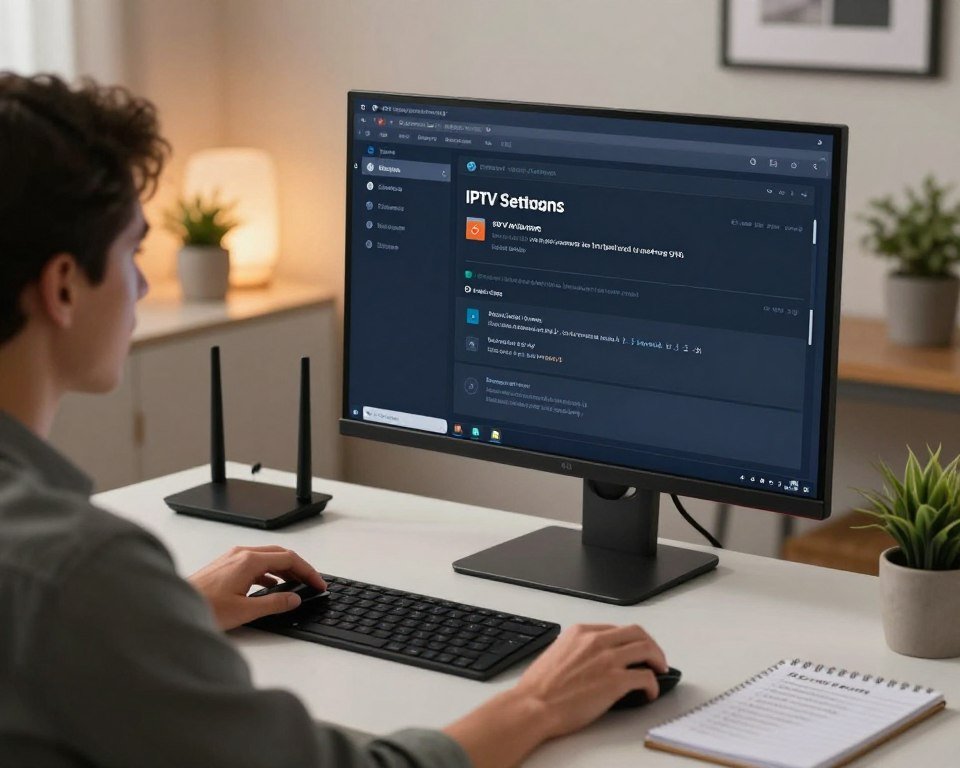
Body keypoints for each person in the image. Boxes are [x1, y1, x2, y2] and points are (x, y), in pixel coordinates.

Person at [0, 72, 670, 768]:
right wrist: (538, 702)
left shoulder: (70, 582)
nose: (142, 285)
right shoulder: (79, 572)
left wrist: (158, 624)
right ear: (63, 286)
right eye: (132, 252)